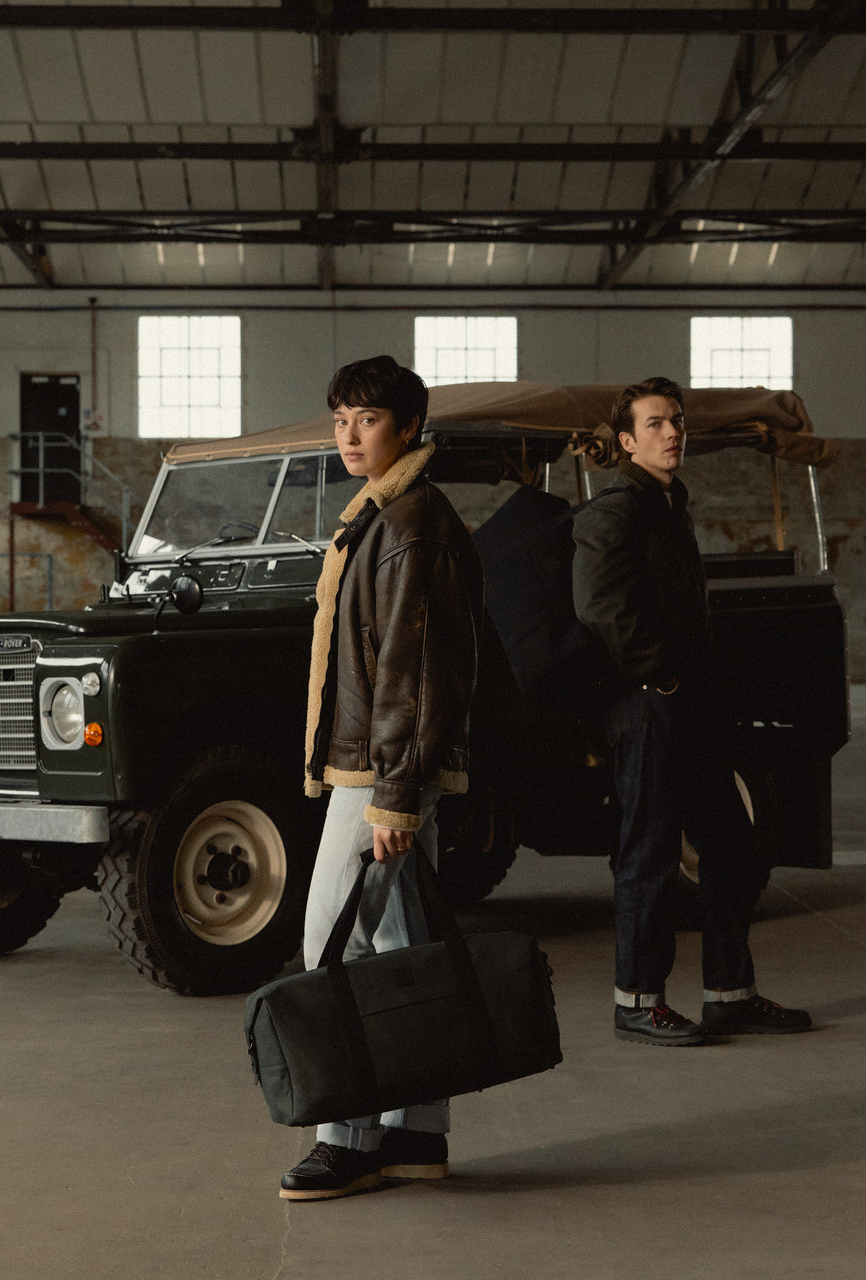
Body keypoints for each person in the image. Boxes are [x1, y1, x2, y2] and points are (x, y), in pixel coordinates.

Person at [279, 355, 483, 1200]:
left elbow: (418, 671)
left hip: (381, 774)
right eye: (339, 420)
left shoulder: (409, 524)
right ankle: (414, 1134)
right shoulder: (382, 517)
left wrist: (396, 794)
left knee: (333, 939)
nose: (349, 436)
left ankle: (349, 1137)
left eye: (366, 419)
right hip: (373, 766)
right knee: (399, 949)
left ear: (406, 426)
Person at [572, 376, 811, 1046]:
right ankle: (637, 1002)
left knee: (733, 847)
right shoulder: (614, 511)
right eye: (655, 424)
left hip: (690, 709)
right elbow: (601, 611)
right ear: (626, 441)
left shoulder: (671, 505)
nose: (673, 432)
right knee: (648, 854)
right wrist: (662, 678)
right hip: (650, 710)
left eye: (676, 421)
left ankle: (729, 994)